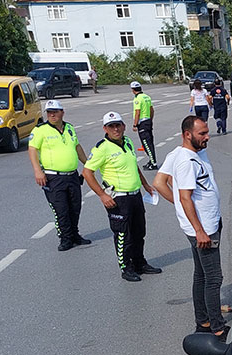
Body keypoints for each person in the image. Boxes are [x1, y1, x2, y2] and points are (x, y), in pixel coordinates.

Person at [153, 117, 227, 337]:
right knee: (214, 277)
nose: (207, 137)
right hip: (203, 228)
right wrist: (198, 229)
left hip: (207, 221)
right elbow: (185, 196)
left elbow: (159, 183)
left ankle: (203, 321)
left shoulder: (182, 153)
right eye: (202, 133)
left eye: (207, 132)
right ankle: (216, 327)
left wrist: (185, 212)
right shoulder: (185, 161)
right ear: (188, 134)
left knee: (201, 275)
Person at [82, 111, 160, 282]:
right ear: (105, 128)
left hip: (135, 195)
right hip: (118, 198)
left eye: (118, 125)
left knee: (139, 232)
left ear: (124, 126)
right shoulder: (101, 148)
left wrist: (145, 184)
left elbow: (134, 166)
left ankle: (140, 263)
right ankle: (126, 267)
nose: (115, 129)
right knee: (123, 235)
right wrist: (102, 195)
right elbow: (87, 173)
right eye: (111, 126)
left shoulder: (128, 142)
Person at [27, 99, 90, 251]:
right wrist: (37, 170)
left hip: (72, 176)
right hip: (53, 177)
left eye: (55, 112)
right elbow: (32, 149)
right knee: (61, 209)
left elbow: (77, 146)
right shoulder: (40, 130)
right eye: (49, 113)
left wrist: (88, 165)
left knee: (75, 207)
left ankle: (75, 235)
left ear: (62, 112)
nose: (52, 115)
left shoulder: (69, 128)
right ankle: (65, 238)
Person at [131, 81, 158, 170]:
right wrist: (150, 119)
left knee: (146, 144)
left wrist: (135, 124)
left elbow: (137, 112)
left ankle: (153, 163)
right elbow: (152, 110)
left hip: (142, 123)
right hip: (148, 121)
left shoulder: (137, 99)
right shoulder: (147, 97)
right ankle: (151, 161)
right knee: (150, 142)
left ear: (133, 90)